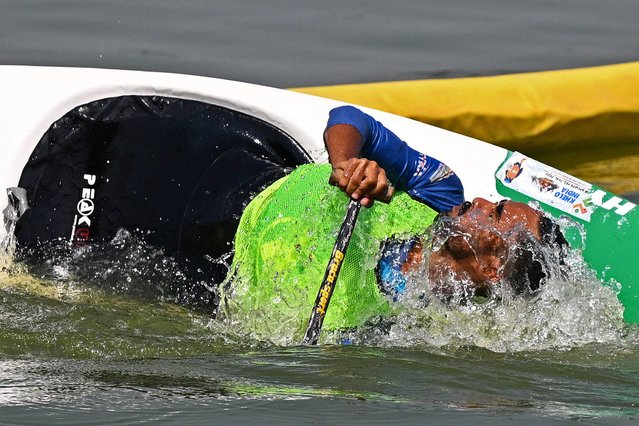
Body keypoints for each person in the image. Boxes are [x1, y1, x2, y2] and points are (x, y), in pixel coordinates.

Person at [219, 105, 567, 339]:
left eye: (495, 214)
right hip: (241, 185)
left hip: (215, 277)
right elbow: (349, 117)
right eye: (495, 202)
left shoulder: (413, 329)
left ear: (494, 267)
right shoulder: (439, 191)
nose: (480, 201)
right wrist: (347, 163)